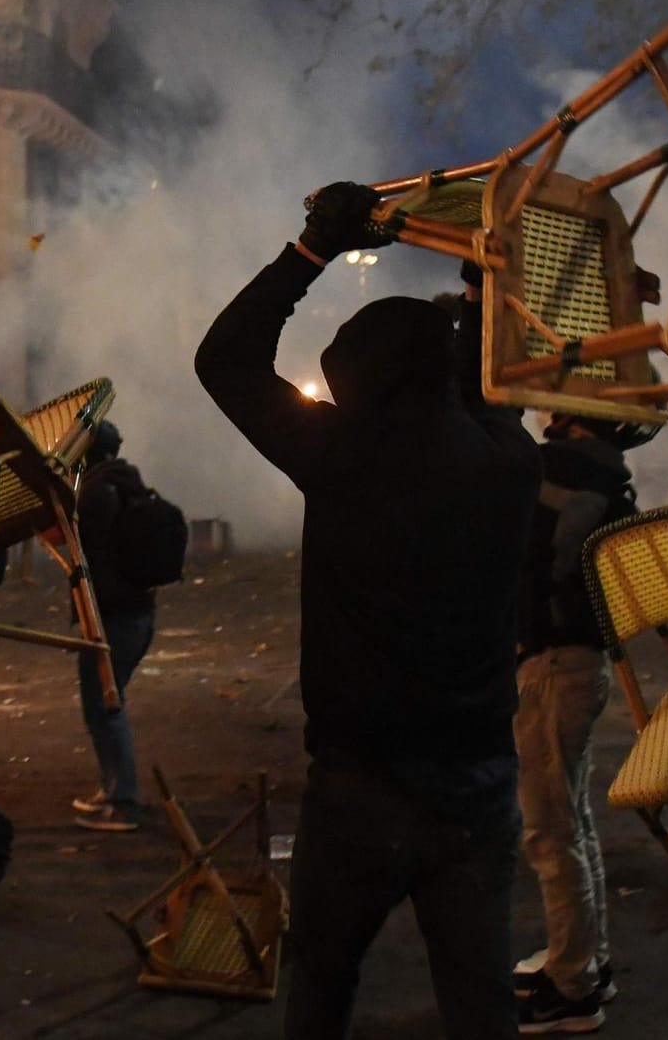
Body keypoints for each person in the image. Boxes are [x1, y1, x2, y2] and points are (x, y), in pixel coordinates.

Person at [195, 180, 542, 1039]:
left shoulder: (339, 455)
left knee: (320, 988)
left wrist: (310, 251)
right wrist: (479, 284)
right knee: (480, 1003)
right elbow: (478, 390)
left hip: (360, 786)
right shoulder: (508, 464)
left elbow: (225, 360)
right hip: (480, 785)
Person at [511, 410, 652, 1034]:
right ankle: (587, 957)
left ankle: (572, 988)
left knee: (549, 829)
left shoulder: (558, 473)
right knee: (574, 818)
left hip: (551, 663)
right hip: (579, 662)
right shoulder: (606, 475)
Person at [68, 420, 158, 833]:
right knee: (103, 703)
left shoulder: (94, 493)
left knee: (106, 706)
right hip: (136, 614)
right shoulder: (129, 484)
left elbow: (80, 544)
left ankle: (124, 803)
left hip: (110, 618)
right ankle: (114, 787)